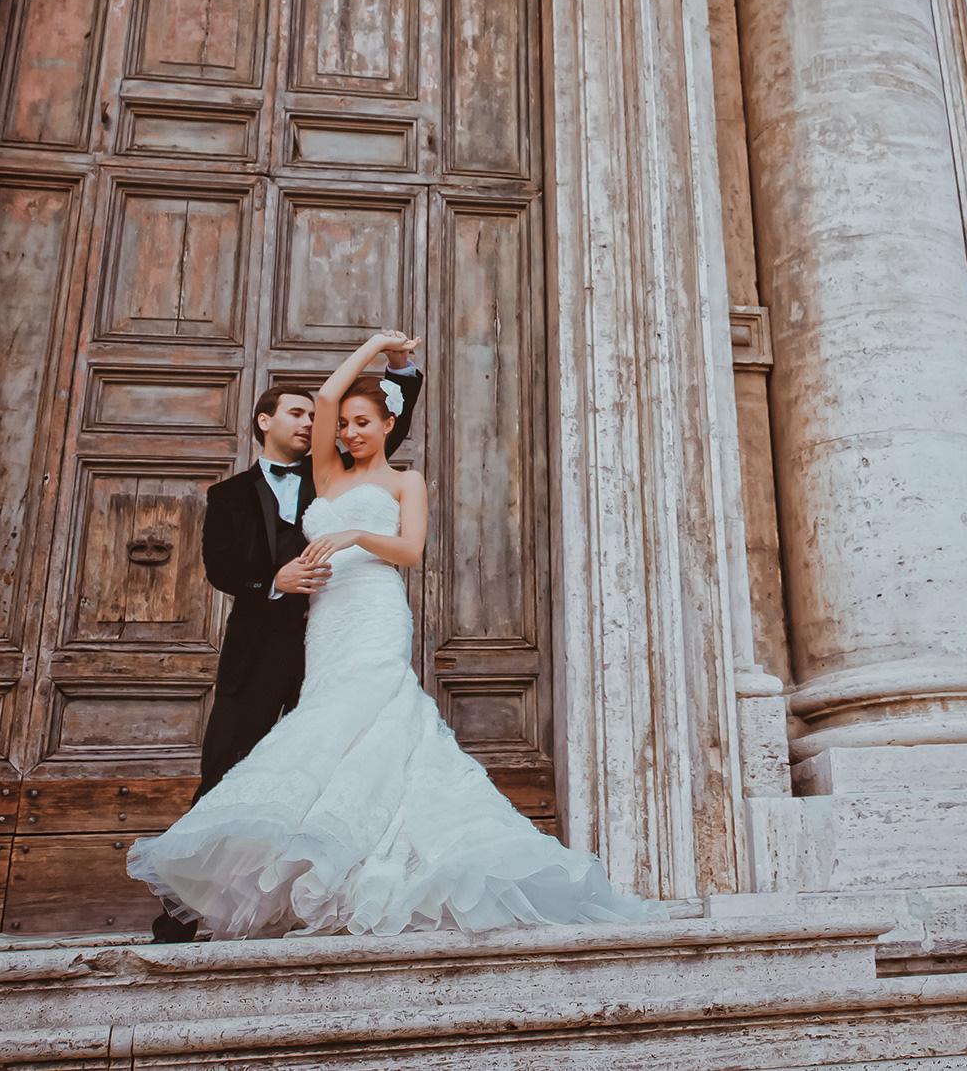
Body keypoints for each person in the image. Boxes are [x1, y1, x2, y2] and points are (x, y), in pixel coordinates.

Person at [130, 330, 665, 940]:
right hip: (305, 631)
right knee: (278, 754)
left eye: (362, 422)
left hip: (373, 615)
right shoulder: (320, 477)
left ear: (387, 423)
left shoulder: (401, 481)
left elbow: (410, 548)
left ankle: (368, 878)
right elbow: (325, 410)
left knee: (375, 732)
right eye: (334, 423)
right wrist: (369, 347)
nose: (340, 430)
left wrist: (397, 363)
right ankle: (207, 901)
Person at [147, 336, 423, 944]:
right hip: (262, 647)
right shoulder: (228, 496)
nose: (315, 424)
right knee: (230, 768)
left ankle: (319, 895)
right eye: (298, 414)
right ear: (264, 421)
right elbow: (219, 567)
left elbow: (382, 415)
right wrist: (272, 580)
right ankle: (192, 907)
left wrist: (396, 363)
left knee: (334, 765)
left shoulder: (342, 469)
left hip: (341, 639)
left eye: (314, 416)